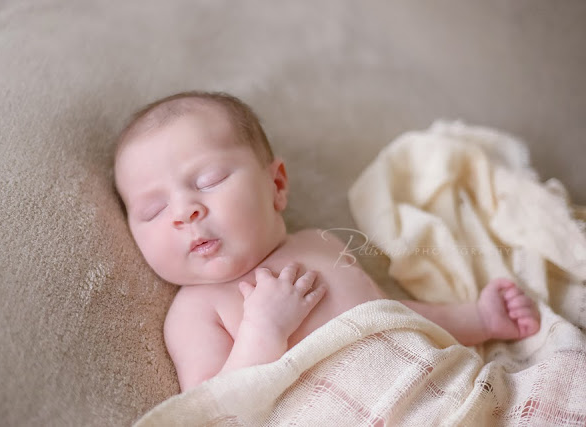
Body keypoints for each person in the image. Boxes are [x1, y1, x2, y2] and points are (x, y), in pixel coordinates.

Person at [113, 91, 540, 392]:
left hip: (441, 389)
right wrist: (263, 331)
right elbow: (215, 408)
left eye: (209, 181)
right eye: (152, 210)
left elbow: (393, 316)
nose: (184, 212)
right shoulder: (194, 312)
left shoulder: (320, 244)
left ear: (276, 184)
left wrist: (478, 320)